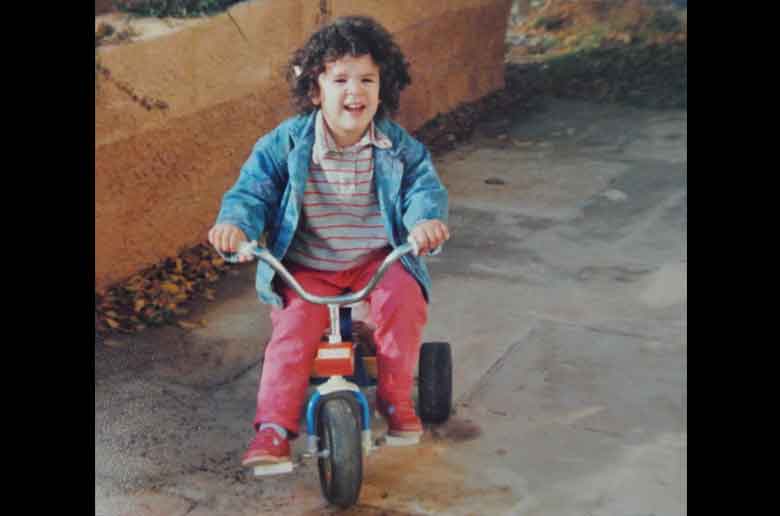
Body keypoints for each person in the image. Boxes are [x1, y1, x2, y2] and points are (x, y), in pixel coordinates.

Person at [208, 15, 449, 474]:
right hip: (307, 265)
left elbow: (422, 188)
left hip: (376, 260)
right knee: (293, 332)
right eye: (340, 79)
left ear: (384, 89)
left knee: (404, 303)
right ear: (315, 90)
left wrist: (425, 222)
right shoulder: (286, 144)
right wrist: (234, 225)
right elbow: (252, 191)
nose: (353, 91)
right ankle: (275, 427)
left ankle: (397, 400)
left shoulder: (398, 147)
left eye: (367, 80)